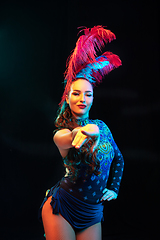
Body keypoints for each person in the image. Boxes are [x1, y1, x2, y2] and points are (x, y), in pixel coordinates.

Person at [38, 26, 124, 240]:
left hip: (93, 212)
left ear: (93, 98)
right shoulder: (61, 134)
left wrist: (113, 188)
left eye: (88, 94)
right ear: (68, 98)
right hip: (63, 206)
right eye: (76, 93)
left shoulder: (101, 126)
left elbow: (119, 159)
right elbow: (66, 139)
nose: (82, 98)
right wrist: (82, 133)